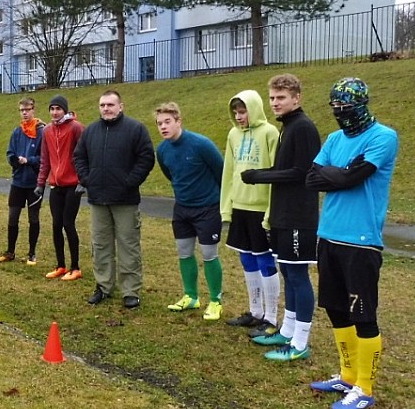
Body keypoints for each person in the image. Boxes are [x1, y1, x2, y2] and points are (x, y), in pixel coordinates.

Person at [305, 77, 398, 409]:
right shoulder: (333, 138)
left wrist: (340, 174)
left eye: (346, 107)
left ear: (362, 104)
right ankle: (347, 375)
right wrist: (341, 173)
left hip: (361, 241)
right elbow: (311, 178)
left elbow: (351, 178)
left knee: (363, 314)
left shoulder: (383, 137)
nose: (340, 113)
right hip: (328, 235)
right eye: (335, 108)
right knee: (335, 308)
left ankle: (365, 387)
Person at [240, 74, 321, 361]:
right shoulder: (288, 127)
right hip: (282, 215)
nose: (275, 103)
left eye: (281, 98)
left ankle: (300, 343)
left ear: (296, 98)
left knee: (298, 275)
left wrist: (259, 176)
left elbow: (303, 173)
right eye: (272, 98)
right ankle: (286, 330)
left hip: (300, 216)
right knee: (287, 271)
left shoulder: (303, 128)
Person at [73, 90, 155, 309]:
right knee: (100, 245)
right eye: (102, 105)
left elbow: (146, 157)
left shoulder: (135, 129)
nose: (106, 109)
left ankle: (130, 291)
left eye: (110, 104)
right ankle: (103, 286)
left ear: (121, 106)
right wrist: (87, 179)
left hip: (125, 200)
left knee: (128, 246)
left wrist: (130, 181)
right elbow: (79, 156)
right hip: (98, 199)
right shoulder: (90, 131)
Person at [154, 102, 225, 320]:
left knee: (209, 254)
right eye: (159, 123)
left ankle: (215, 301)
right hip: (182, 209)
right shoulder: (162, 150)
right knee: (184, 252)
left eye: (168, 122)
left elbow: (221, 171)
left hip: (208, 208)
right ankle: (191, 296)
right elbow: (170, 174)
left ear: (178, 121)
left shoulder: (201, 144)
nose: (163, 127)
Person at [220, 89, 279, 334]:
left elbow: (277, 173)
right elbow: (228, 171)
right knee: (246, 258)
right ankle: (255, 311)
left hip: (261, 209)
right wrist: (226, 208)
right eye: (235, 112)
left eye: (243, 111)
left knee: (265, 260)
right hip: (240, 207)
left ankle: (272, 316)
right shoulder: (233, 134)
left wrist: (271, 212)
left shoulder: (270, 132)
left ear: (253, 109)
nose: (239, 116)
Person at [35, 95, 85, 281]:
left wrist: (83, 180)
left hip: (73, 185)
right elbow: (45, 159)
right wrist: (41, 183)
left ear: (65, 110)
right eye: (52, 108)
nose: (55, 112)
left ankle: (75, 267)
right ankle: (60, 265)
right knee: (56, 225)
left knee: (68, 224)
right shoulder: (47, 131)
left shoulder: (76, 128)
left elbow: (84, 155)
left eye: (58, 109)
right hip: (55, 185)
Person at [0, 97, 46, 266]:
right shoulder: (17, 132)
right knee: (13, 217)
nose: (24, 113)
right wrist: (15, 161)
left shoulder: (41, 132)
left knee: (33, 219)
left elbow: (44, 158)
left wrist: (29, 160)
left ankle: (32, 254)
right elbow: (10, 153)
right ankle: (10, 251)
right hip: (18, 182)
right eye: (22, 110)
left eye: (27, 109)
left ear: (33, 110)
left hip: (34, 183)